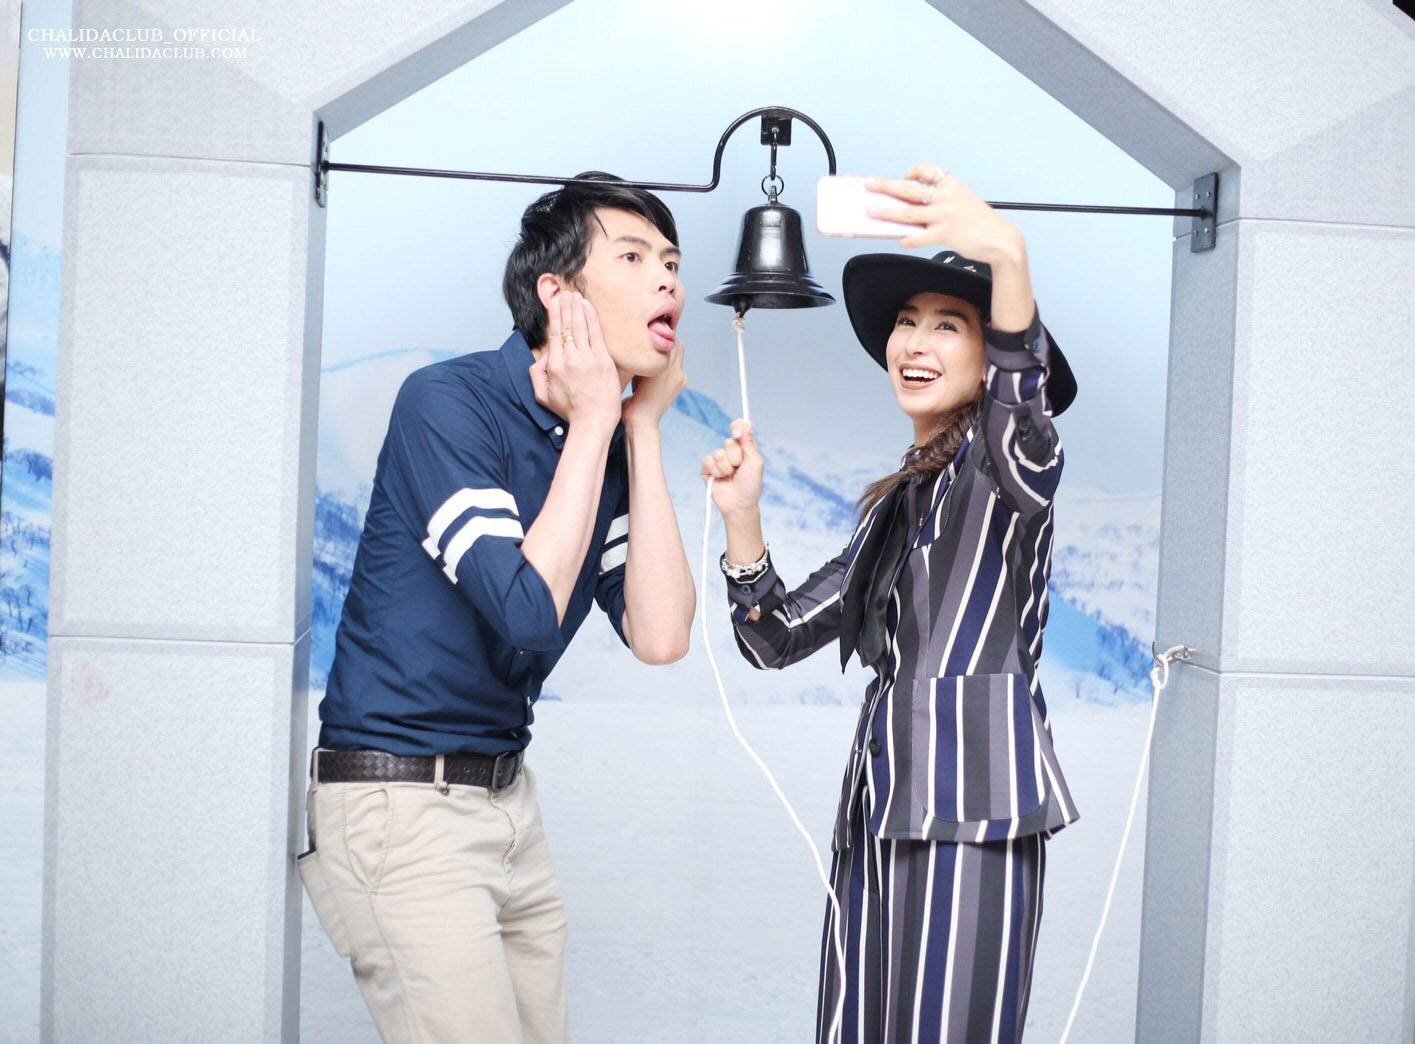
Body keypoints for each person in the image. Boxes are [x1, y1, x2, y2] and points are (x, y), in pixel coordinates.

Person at [299, 175, 696, 1043]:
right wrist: (595, 423)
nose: (667, 278)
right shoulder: (447, 403)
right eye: (634, 258)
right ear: (557, 292)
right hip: (401, 806)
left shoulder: (608, 445)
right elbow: (526, 612)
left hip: (510, 805)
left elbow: (662, 634)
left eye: (672, 262)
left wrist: (640, 430)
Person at [701, 164, 1079, 1043]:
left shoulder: (1006, 471)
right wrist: (743, 517)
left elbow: (1022, 413)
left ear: (990, 357)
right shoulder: (897, 509)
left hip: (974, 811)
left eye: (949, 325)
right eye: (908, 321)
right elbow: (773, 636)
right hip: (876, 809)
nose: (915, 341)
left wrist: (1007, 254)